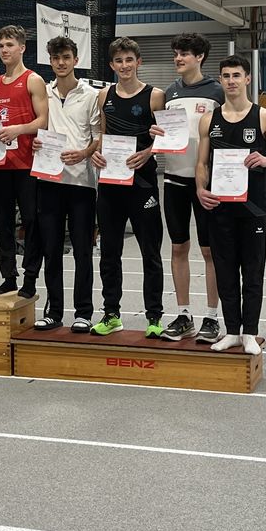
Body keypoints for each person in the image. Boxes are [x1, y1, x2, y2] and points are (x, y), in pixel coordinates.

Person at [196, 55, 266, 355]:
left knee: (252, 271)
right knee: (224, 271)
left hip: (253, 208)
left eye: (237, 75)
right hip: (220, 207)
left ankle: (250, 332)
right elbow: (202, 163)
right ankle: (232, 331)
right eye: (226, 76)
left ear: (247, 79)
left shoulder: (264, 117)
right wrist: (200, 189)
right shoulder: (209, 119)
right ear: (220, 80)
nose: (231, 81)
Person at [91, 37, 166, 338]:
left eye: (129, 60)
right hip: (111, 184)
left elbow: (168, 138)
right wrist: (96, 153)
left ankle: (154, 318)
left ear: (138, 62)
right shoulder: (104, 96)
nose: (124, 66)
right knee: (109, 252)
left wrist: (149, 152)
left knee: (151, 252)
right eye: (119, 61)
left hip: (143, 184)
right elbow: (103, 134)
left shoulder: (155, 96)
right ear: (112, 65)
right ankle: (111, 314)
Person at [158, 32, 224, 344]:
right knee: (178, 247)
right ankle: (184, 315)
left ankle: (212, 317)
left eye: (184, 53)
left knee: (210, 250)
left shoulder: (217, 91)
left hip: (207, 182)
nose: (178, 58)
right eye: (176, 53)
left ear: (199, 57)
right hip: (174, 179)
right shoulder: (169, 93)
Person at [32, 34, 101, 333]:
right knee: (51, 249)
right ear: (50, 61)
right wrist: (35, 143)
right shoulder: (43, 93)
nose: (61, 63)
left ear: (76, 60)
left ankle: (84, 311)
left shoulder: (91, 95)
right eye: (56, 58)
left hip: (82, 182)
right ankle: (54, 311)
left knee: (83, 249)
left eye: (66, 58)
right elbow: (36, 126)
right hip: (48, 180)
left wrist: (84, 153)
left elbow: (99, 136)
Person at [0, 24, 48, 296]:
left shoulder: (33, 80)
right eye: (1, 46)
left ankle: (30, 278)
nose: (4, 50)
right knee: (3, 222)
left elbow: (43, 120)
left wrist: (18, 130)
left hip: (27, 164)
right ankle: (8, 276)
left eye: (9, 45)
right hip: (0, 164)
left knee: (31, 221)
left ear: (22, 48)